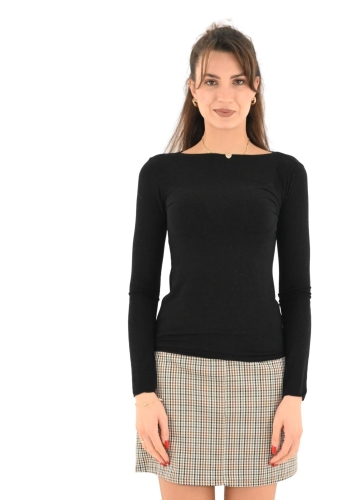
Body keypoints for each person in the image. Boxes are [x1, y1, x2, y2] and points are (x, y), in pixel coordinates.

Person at [128, 21, 311, 500]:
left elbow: (296, 292)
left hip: (263, 375)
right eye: (210, 80)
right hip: (177, 374)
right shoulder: (161, 173)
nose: (224, 95)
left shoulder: (285, 173)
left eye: (238, 80)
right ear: (192, 90)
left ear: (255, 90)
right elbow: (142, 291)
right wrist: (144, 393)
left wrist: (294, 394)